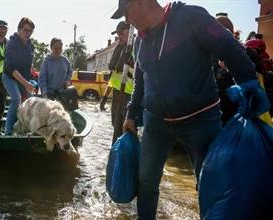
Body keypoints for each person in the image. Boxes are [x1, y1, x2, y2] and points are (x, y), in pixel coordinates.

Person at [111, 0, 271, 219]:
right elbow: (140, 80)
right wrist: (131, 114)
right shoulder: (140, 41)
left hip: (200, 121)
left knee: (210, 184)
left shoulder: (190, 17)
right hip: (156, 123)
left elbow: (229, 47)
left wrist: (249, 86)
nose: (126, 20)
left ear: (139, 3)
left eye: (126, 13)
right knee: (146, 182)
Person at [100, 21, 135, 144]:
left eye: (122, 33)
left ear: (130, 33)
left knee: (128, 127)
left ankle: (128, 153)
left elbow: (142, 74)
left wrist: (132, 65)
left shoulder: (136, 47)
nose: (119, 36)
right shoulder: (119, 49)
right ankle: (116, 151)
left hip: (129, 95)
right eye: (118, 34)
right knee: (115, 124)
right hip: (116, 94)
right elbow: (113, 78)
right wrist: (104, 97)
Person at [3, 17, 35, 135]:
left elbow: (27, 67)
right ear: (19, 29)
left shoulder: (30, 46)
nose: (28, 33)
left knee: (30, 101)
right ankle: (8, 131)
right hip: (9, 77)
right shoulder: (11, 45)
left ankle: (24, 129)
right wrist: (26, 84)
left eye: (30, 31)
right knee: (16, 99)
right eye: (26, 30)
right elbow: (12, 69)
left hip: (23, 78)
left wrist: (29, 83)